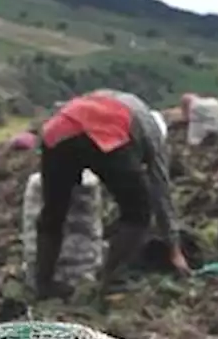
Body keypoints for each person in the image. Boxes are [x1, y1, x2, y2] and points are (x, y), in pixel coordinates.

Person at [34, 89, 190, 299]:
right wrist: (174, 250)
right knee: (139, 212)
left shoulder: (115, 98)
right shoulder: (152, 135)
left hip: (57, 131)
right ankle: (110, 281)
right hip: (102, 132)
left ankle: (42, 284)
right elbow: (160, 191)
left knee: (53, 212)